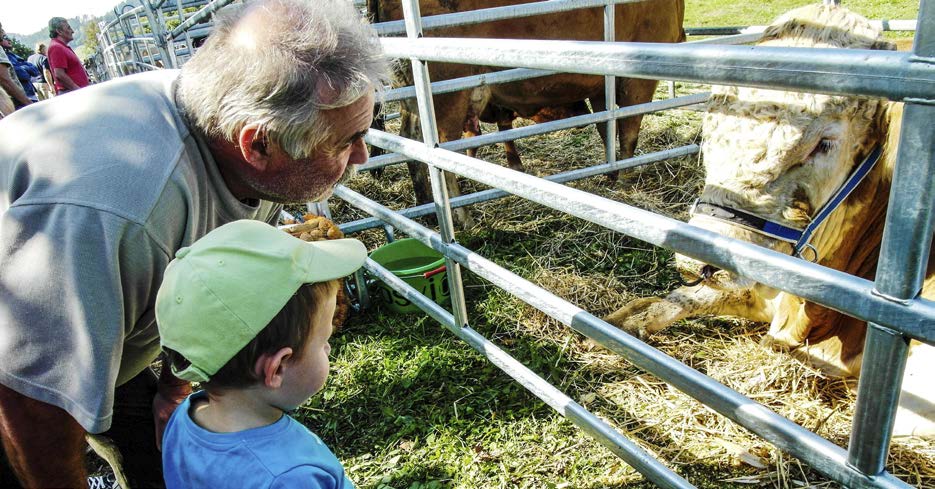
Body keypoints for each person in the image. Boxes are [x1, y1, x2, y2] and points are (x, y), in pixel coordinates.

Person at [0, 0, 388, 487]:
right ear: (258, 145)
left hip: (103, 324)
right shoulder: (114, 214)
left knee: (150, 454)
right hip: (24, 355)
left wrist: (173, 386)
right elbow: (31, 398)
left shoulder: (247, 148)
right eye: (344, 141)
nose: (361, 156)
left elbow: (210, 286)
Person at [157, 219, 365, 488]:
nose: (327, 348)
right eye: (323, 340)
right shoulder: (289, 477)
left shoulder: (187, 419)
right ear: (277, 368)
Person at [46, 17, 90, 94]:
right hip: (73, 94)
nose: (72, 31)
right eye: (68, 28)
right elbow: (59, 74)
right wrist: (77, 90)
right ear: (59, 31)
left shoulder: (61, 47)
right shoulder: (56, 48)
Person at [0, 22, 31, 109]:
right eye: (1, 29)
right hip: (11, 104)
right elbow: (5, 80)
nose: (3, 32)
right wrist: (28, 103)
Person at [1, 36, 39, 103]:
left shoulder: (13, 55)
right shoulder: (4, 58)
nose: (9, 39)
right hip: (20, 98)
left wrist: (23, 68)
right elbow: (21, 74)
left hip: (30, 93)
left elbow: (35, 70)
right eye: (5, 37)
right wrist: (24, 68)